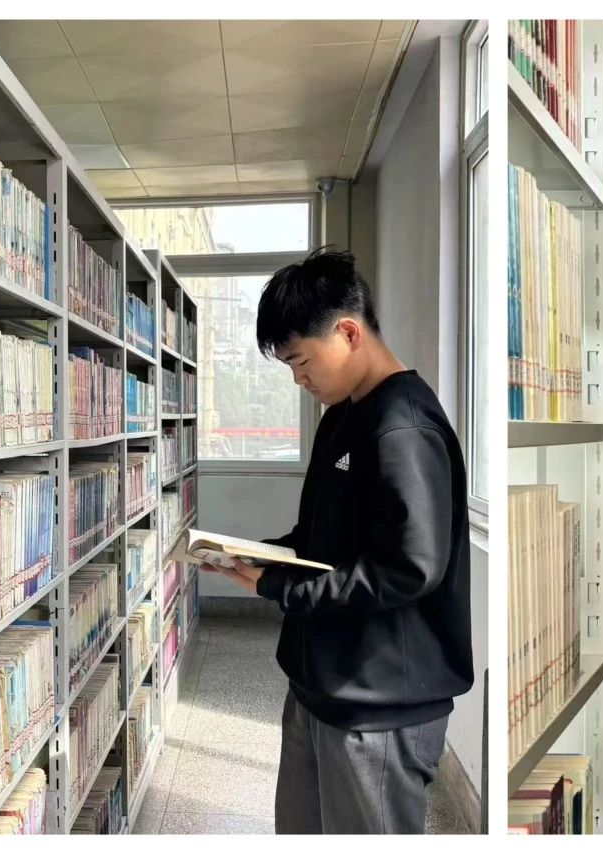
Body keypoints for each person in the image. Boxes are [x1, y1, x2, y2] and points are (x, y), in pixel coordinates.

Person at [202, 246, 473, 834]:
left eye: (301, 361)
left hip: (378, 708)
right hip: (319, 684)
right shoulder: (341, 417)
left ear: (348, 332)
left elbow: (410, 568)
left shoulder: (402, 426)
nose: (299, 379)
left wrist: (283, 588)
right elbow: (323, 537)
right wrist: (257, 555)